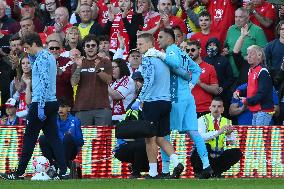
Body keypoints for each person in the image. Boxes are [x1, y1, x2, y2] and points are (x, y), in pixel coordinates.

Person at [146, 28, 213, 179]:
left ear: (170, 39)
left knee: (164, 133)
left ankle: (165, 170)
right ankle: (207, 166)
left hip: (175, 97)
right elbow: (196, 69)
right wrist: (191, 85)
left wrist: (159, 54)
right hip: (188, 97)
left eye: (161, 37)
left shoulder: (170, 50)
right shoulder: (182, 52)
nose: (158, 40)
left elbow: (174, 63)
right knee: (194, 132)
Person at [0, 32, 68, 180]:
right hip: (52, 102)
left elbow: (43, 82)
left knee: (29, 138)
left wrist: (41, 106)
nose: (26, 50)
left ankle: (19, 173)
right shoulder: (48, 56)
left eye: (27, 47)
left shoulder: (42, 59)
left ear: (34, 44)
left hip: (40, 103)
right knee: (54, 139)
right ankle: (64, 171)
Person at [133, 33, 184, 179]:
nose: (138, 47)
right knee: (161, 138)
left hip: (152, 102)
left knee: (150, 139)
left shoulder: (148, 59)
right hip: (165, 102)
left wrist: (139, 99)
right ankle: (177, 161)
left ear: (150, 44)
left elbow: (149, 81)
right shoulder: (163, 59)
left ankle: (153, 172)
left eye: (141, 44)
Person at [190, 97, 242, 178]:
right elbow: (201, 137)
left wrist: (229, 134)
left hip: (217, 156)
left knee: (237, 152)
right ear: (210, 108)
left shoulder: (227, 121)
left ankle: (215, 172)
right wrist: (218, 132)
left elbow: (233, 142)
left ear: (223, 109)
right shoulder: (202, 120)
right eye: (214, 106)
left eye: (219, 106)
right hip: (202, 156)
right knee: (205, 146)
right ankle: (199, 172)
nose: (216, 109)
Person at [71, 34, 112, 126]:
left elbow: (109, 80)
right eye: (87, 46)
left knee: (103, 139)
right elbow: (73, 83)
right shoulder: (78, 63)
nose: (90, 48)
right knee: (83, 139)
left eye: (93, 45)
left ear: (97, 47)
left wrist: (98, 70)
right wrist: (78, 67)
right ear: (84, 48)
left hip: (102, 107)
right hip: (82, 107)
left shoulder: (105, 61)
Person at [39, 98, 84, 177]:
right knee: (42, 138)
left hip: (70, 151)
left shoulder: (75, 120)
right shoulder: (53, 121)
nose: (60, 109)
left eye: (63, 107)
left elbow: (81, 142)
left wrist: (71, 137)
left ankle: (63, 167)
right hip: (56, 149)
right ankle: (52, 166)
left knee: (68, 137)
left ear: (69, 108)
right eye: (58, 107)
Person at [234, 45, 274, 126]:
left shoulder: (263, 71)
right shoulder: (251, 70)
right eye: (247, 54)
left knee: (259, 137)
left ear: (259, 55)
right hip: (257, 110)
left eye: (251, 54)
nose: (248, 56)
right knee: (257, 137)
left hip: (263, 110)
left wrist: (247, 101)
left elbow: (261, 94)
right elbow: (250, 89)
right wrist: (240, 92)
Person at [188, 40, 220, 118]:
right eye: (187, 50)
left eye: (193, 50)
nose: (190, 52)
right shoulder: (183, 69)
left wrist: (200, 83)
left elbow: (216, 90)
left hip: (204, 110)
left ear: (200, 50)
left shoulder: (209, 68)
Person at [108, 58, 136, 123]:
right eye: (111, 68)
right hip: (112, 117)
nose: (112, 70)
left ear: (121, 68)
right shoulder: (113, 83)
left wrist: (105, 83)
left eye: (114, 67)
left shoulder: (128, 80)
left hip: (124, 118)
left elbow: (117, 96)